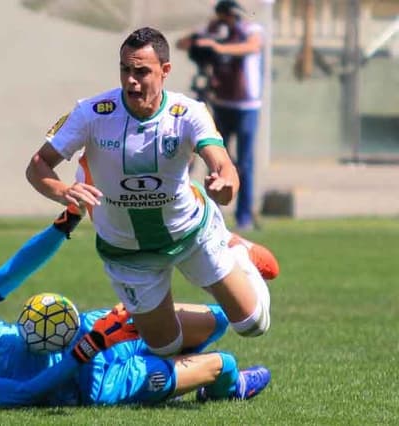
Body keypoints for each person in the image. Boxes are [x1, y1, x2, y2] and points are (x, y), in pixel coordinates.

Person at [26, 27, 272, 360]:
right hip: (126, 250)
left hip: (191, 234)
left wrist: (225, 185)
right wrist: (62, 190)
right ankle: (217, 369)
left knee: (254, 324)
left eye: (141, 71)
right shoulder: (91, 113)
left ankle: (237, 251)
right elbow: (38, 165)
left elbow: (224, 167)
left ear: (165, 71)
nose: (131, 80)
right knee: (164, 347)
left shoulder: (189, 113)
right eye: (125, 70)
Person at [0, 209, 273, 407]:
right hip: (94, 382)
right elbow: (28, 394)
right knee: (223, 363)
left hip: (92, 327)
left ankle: (228, 249)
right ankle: (225, 389)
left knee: (221, 319)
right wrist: (89, 349)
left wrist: (66, 221)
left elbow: (16, 269)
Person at [176, 0, 264, 231]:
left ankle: (244, 216)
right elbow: (182, 44)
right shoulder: (215, 31)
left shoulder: (249, 31)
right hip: (221, 103)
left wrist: (218, 47)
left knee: (244, 162)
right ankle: (211, 213)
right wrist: (203, 39)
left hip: (246, 105)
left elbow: (253, 47)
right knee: (214, 159)